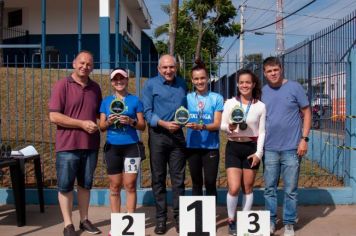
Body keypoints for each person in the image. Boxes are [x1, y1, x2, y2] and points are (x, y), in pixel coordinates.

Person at [48, 51, 102, 236]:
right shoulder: (62, 85)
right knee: (65, 186)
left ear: (92, 67)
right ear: (73, 63)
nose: (85, 66)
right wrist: (81, 123)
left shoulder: (95, 88)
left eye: (88, 64)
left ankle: (84, 220)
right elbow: (53, 116)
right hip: (68, 146)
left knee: (85, 185)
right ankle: (68, 224)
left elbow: (99, 116)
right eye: (81, 62)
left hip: (91, 145)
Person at [262, 57, 311, 236]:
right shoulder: (262, 92)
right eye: (269, 71)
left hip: (292, 147)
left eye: (275, 69)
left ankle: (289, 223)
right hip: (270, 148)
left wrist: (304, 139)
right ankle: (270, 221)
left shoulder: (294, 87)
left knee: (290, 189)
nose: (273, 73)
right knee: (269, 189)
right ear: (264, 73)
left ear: (281, 69)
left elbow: (306, 113)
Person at [142, 54, 187, 234]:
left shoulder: (183, 84)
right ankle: (161, 219)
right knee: (158, 179)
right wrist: (163, 123)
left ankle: (180, 218)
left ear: (176, 67)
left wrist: (182, 122)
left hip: (178, 137)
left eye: (171, 67)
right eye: (164, 67)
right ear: (158, 69)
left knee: (179, 180)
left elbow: (185, 110)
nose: (168, 70)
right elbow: (147, 112)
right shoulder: (150, 84)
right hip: (158, 135)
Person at [98, 68, 146, 235]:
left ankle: (130, 222)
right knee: (114, 186)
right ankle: (116, 224)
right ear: (112, 82)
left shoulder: (135, 100)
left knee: (130, 185)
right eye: (115, 79)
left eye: (122, 78)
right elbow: (102, 127)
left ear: (127, 80)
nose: (119, 81)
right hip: (113, 148)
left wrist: (131, 121)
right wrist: (109, 122)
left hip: (131, 147)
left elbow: (142, 126)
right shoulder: (106, 101)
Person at [220, 69, 266, 236]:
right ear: (237, 84)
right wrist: (229, 127)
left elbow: (262, 132)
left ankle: (246, 220)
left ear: (253, 84)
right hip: (233, 147)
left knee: (247, 187)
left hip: (251, 150)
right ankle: (231, 220)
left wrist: (258, 154)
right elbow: (221, 125)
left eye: (248, 82)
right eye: (241, 82)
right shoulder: (230, 103)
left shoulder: (260, 106)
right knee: (233, 188)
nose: (244, 85)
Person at [185, 61, 224, 197]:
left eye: (202, 78)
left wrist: (201, 126)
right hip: (192, 146)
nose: (200, 81)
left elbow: (217, 124)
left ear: (207, 78)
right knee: (196, 182)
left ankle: (210, 216)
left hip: (211, 147)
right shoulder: (187, 98)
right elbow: (181, 118)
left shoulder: (217, 98)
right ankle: (198, 217)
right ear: (192, 80)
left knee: (210, 182)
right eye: (196, 78)